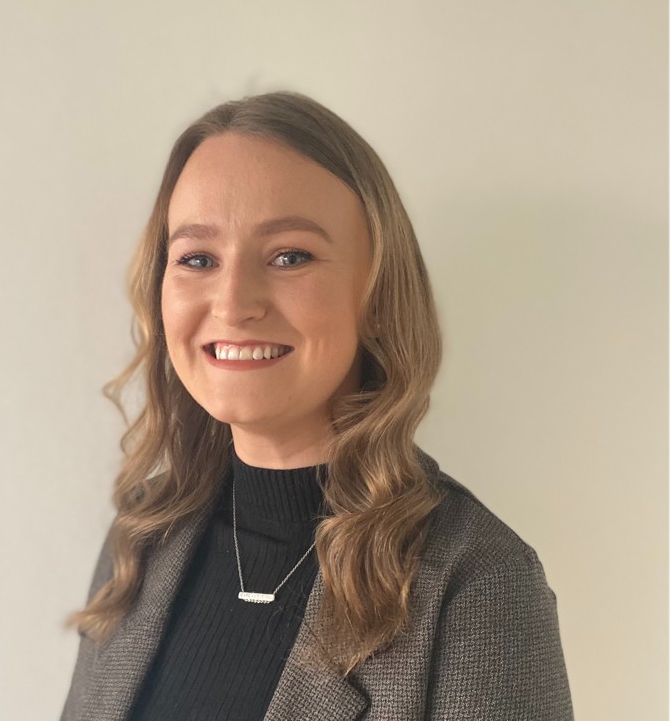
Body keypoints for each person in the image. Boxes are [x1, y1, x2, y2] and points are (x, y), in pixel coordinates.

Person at [60, 92, 574, 721]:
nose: (233, 304)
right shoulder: (142, 536)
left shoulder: (478, 584)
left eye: (290, 256)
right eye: (197, 259)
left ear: (378, 292)